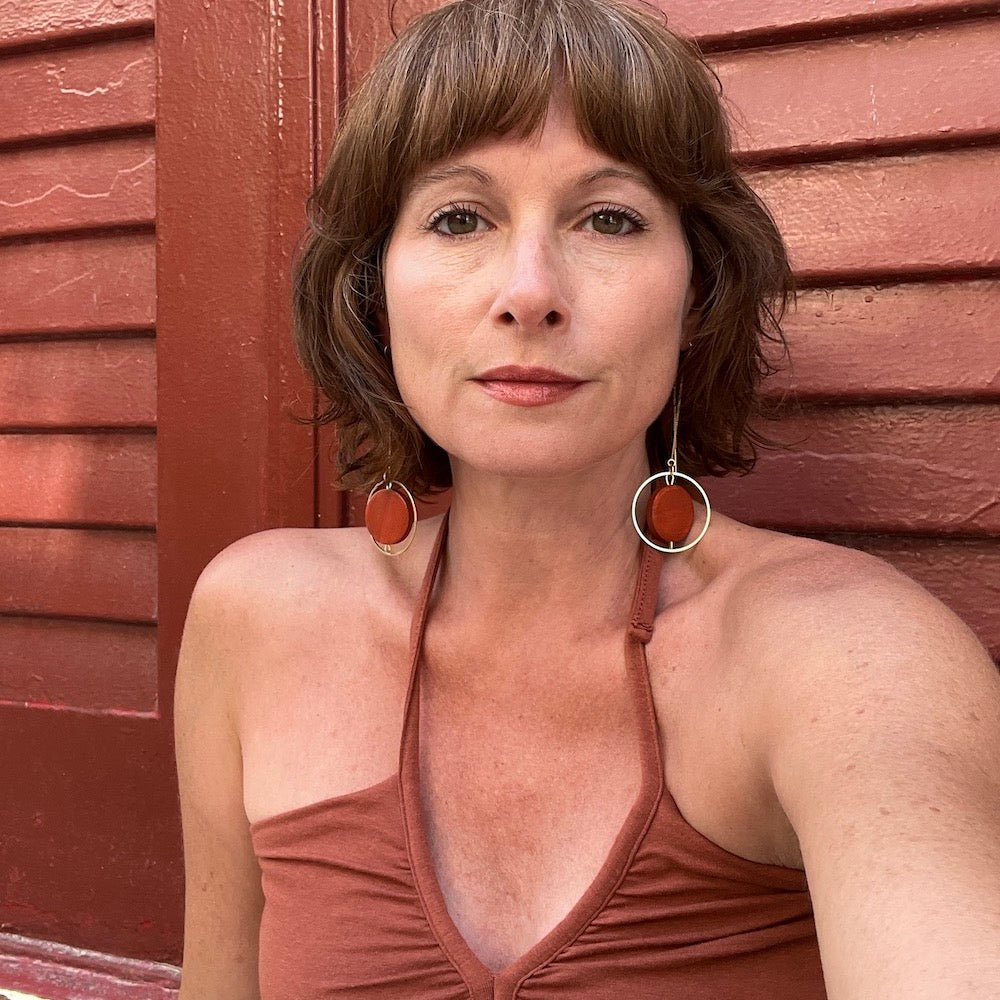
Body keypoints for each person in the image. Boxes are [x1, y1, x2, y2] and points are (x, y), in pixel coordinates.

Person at [173, 1, 1000, 997]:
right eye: (459, 217)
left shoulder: (844, 654)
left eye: (607, 217)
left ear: (699, 292)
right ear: (371, 292)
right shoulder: (253, 618)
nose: (530, 290)